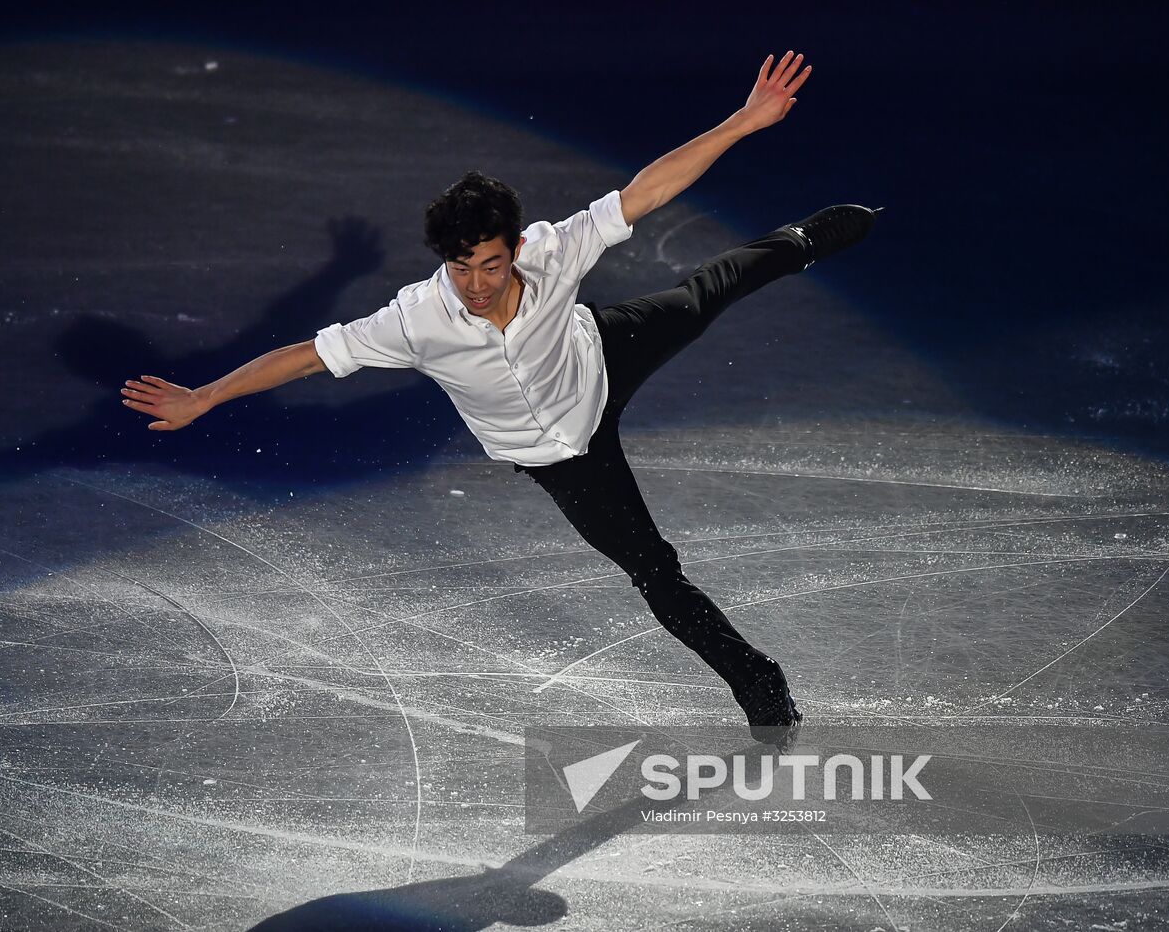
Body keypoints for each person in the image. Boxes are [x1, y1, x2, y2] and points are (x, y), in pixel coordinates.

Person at [120, 51, 878, 749]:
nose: (477, 284)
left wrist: (746, 119)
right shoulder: (416, 318)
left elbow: (646, 190)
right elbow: (310, 356)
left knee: (702, 293)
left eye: (488, 263)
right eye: (460, 268)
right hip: (561, 457)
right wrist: (207, 395)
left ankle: (802, 240)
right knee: (655, 572)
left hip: (598, 355)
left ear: (513, 248)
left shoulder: (551, 250)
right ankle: (757, 679)